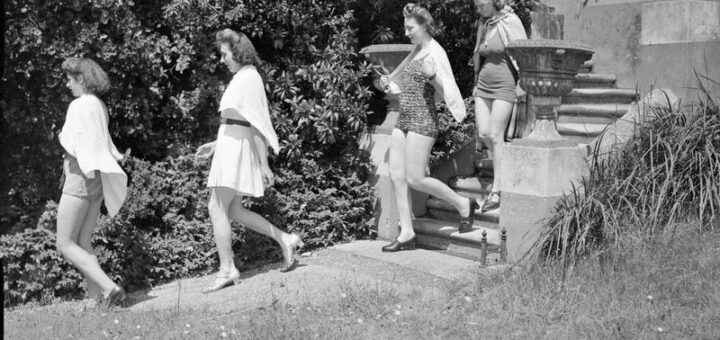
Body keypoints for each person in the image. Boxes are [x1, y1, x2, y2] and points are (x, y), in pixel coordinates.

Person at [196, 29, 304, 293]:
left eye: (224, 54)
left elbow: (257, 125)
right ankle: (286, 239)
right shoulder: (242, 77)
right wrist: (216, 144)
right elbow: (236, 121)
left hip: (236, 149)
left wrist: (264, 164)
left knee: (216, 207)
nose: (222, 60)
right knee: (231, 210)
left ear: (238, 52)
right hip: (229, 146)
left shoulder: (248, 78)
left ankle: (227, 269)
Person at [379, 3, 474, 252]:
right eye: (405, 28)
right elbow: (406, 86)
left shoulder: (435, 52)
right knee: (396, 175)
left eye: (410, 28)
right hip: (404, 118)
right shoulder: (415, 51)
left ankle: (463, 203)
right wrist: (388, 84)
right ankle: (407, 233)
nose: (407, 32)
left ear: (423, 25)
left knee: (415, 177)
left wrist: (433, 77)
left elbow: (446, 94)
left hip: (423, 119)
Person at [57, 57, 128, 306]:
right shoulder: (99, 105)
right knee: (83, 242)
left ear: (81, 79)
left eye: (70, 79)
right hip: (97, 178)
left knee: (64, 243)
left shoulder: (79, 105)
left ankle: (108, 287)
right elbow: (99, 142)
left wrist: (61, 138)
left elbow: (75, 144)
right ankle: (93, 298)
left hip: (80, 176)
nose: (67, 84)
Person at [472, 0, 527, 212]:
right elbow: (479, 53)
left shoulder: (511, 21)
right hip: (483, 85)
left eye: (482, 3)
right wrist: (476, 83)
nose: (479, 7)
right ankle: (504, 169)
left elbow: (524, 52)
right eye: (476, 4)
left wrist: (523, 81)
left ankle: (497, 190)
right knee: (485, 133)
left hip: (506, 84)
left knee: (496, 135)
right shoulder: (484, 24)